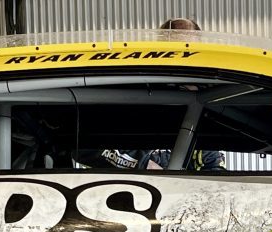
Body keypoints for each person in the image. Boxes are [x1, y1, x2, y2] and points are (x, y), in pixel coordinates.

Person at [75, 17, 225, 171]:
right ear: (159, 49)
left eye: (189, 49)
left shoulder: (210, 98)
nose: (183, 56)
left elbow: (213, 166)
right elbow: (82, 147)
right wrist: (142, 164)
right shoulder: (131, 88)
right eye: (175, 49)